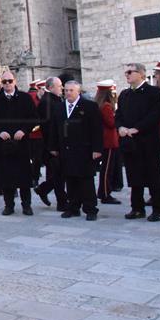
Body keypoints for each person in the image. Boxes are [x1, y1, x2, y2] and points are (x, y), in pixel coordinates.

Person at [115, 63, 160, 222]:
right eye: (126, 72)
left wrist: (137, 128)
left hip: (148, 142)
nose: (127, 75)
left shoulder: (153, 92)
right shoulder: (124, 94)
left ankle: (159, 209)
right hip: (130, 143)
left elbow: (156, 114)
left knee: (154, 176)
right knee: (134, 176)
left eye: (130, 72)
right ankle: (137, 208)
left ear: (141, 74)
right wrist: (121, 127)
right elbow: (119, 114)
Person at [49, 81, 103, 221]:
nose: (67, 93)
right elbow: (54, 128)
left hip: (84, 150)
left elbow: (97, 129)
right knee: (70, 179)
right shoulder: (59, 107)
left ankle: (90, 209)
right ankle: (73, 207)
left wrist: (97, 149)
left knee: (86, 181)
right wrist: (53, 147)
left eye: (71, 90)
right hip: (66, 149)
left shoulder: (89, 106)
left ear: (78, 91)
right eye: (65, 90)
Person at [0, 70, 37, 216]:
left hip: (21, 142)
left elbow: (33, 118)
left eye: (10, 81)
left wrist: (24, 130)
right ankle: (9, 205)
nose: (7, 84)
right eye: (4, 82)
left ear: (15, 81)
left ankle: (26, 205)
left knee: (24, 176)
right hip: (4, 143)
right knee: (6, 175)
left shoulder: (25, 98)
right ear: (1, 83)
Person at [35, 76, 68, 211]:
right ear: (50, 87)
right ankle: (62, 202)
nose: (62, 88)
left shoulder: (54, 100)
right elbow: (49, 126)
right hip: (51, 144)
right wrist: (53, 146)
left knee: (59, 173)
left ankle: (43, 189)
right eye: (59, 86)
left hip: (55, 143)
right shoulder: (47, 102)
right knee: (59, 174)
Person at [94, 80, 121, 205]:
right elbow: (112, 123)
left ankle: (104, 191)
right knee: (107, 169)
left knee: (106, 168)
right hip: (109, 141)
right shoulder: (106, 106)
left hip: (105, 140)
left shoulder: (99, 105)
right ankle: (105, 193)